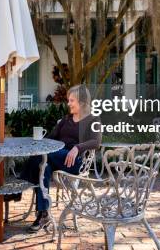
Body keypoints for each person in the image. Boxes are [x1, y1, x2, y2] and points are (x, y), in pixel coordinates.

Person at [20, 84, 101, 232]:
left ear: (82, 102)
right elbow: (51, 138)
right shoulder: (66, 119)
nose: (68, 103)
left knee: (40, 156)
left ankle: (18, 188)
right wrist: (39, 143)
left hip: (75, 161)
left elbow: (96, 142)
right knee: (42, 168)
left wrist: (77, 148)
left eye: (72, 100)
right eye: (68, 100)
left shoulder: (93, 119)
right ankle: (43, 214)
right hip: (57, 157)